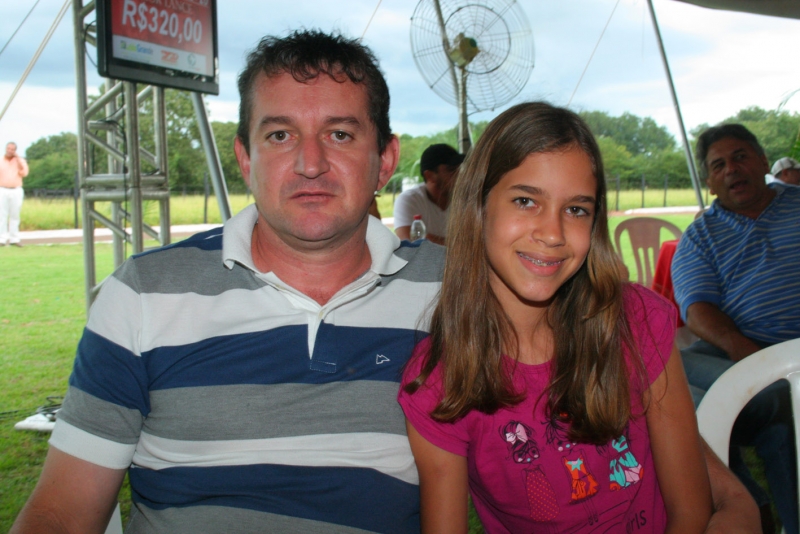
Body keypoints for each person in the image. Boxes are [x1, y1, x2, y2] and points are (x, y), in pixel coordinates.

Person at [11, 31, 760, 534]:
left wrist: (732, 507)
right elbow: (61, 516)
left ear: (385, 158)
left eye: (340, 134)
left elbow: (655, 443)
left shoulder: (464, 295)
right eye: (280, 134)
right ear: (243, 156)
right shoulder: (143, 295)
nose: (310, 162)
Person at [399, 102, 713, 532]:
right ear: (478, 206)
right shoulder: (438, 384)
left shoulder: (637, 321)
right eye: (526, 201)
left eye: (576, 209)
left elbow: (691, 511)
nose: (552, 233)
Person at [672, 123, 800, 534]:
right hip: (742, 347)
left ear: (762, 161)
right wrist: (742, 348)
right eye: (718, 165)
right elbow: (696, 309)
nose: (731, 169)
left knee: (778, 418)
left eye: (740, 157)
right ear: (710, 182)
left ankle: (767, 511)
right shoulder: (700, 236)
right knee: (668, 376)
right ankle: (749, 497)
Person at [393, 143, 463, 244]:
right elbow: (408, 241)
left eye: (460, 168)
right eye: (452, 170)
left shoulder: (466, 198)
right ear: (429, 176)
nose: (460, 174)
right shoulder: (409, 200)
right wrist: (461, 244)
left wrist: (427, 239)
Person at [0, 141, 29, 247]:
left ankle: (14, 238)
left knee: (15, 215)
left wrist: (18, 159)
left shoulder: (20, 161)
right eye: (8, 148)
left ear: (15, 150)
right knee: (2, 215)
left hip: (16, 189)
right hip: (3, 189)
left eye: (12, 149)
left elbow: (24, 173)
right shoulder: (1, 160)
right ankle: (2, 239)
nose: (10, 151)